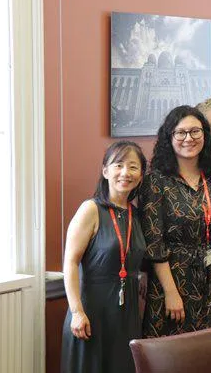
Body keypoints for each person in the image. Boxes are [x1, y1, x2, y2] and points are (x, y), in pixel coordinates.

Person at [140, 105, 211, 337]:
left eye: (195, 132)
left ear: (205, 136)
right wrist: (171, 292)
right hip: (172, 284)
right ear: (170, 137)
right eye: (181, 132)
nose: (189, 138)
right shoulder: (156, 182)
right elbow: (155, 244)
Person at [62, 141, 147, 373]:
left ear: (141, 175)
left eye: (133, 167)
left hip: (125, 309)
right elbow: (70, 262)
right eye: (118, 165)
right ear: (105, 171)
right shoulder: (90, 209)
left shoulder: (137, 215)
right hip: (92, 307)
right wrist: (77, 312)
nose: (125, 173)